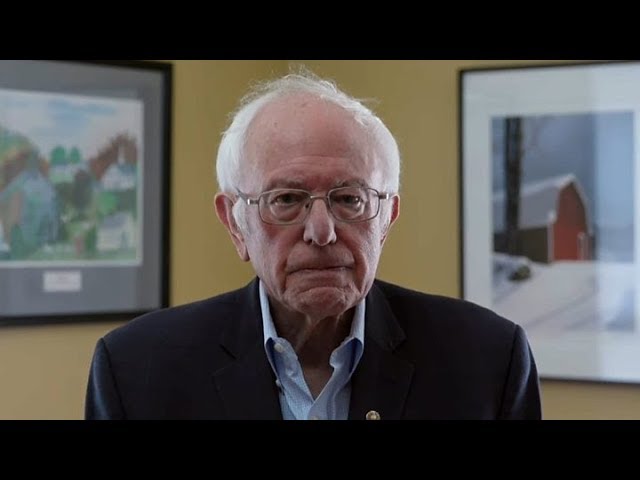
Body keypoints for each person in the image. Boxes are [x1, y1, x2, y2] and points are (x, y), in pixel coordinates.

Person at [85, 70, 542, 420]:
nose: (321, 232)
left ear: (386, 219)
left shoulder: (487, 360)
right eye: (286, 199)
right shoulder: (136, 370)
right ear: (235, 224)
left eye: (349, 199)